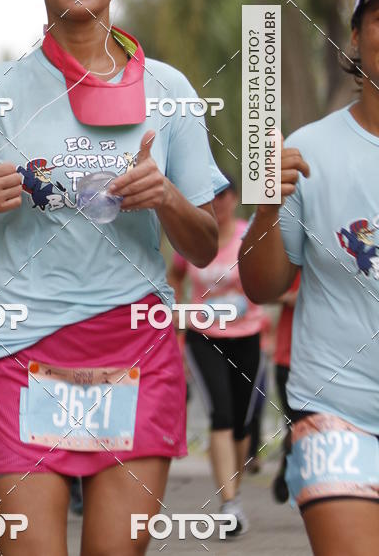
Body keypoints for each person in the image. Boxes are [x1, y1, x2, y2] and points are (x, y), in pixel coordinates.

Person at [0, 0, 228, 555]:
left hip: (133, 346)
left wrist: (168, 197)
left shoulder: (170, 91)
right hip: (15, 346)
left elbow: (205, 247)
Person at [239, 0, 379, 555]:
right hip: (338, 407)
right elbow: (262, 285)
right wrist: (267, 208)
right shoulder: (309, 148)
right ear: (354, 36)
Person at [168, 177, 265, 535]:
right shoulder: (195, 237)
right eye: (211, 197)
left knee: (241, 421)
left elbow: (265, 274)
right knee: (221, 415)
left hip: (248, 335)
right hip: (203, 338)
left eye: (224, 195)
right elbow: (175, 274)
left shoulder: (248, 234)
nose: (218, 203)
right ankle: (229, 504)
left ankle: (234, 490)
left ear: (235, 199)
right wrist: (179, 314)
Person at [271, 272, 300, 503]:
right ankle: (287, 472)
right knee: (296, 424)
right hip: (288, 359)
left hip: (325, 360)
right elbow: (261, 291)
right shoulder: (291, 253)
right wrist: (291, 297)